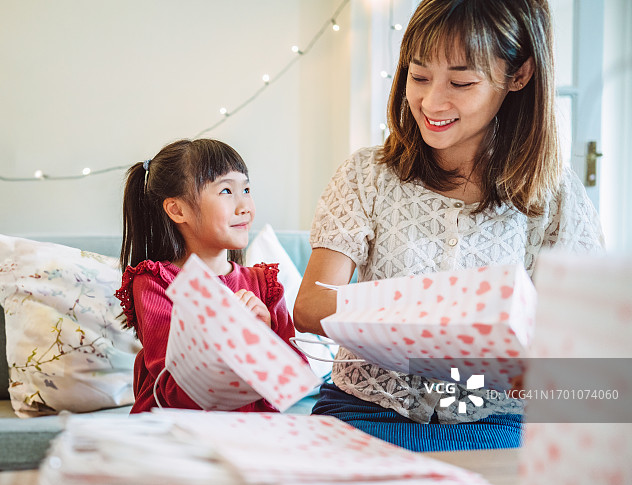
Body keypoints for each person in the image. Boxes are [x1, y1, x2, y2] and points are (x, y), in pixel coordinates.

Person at [293, 0, 604, 451]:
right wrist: (424, 318)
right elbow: (310, 305)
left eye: (461, 81)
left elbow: (582, 335)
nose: (431, 102)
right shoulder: (367, 175)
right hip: (365, 407)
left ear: (518, 75)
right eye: (418, 76)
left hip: (496, 421)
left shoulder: (555, 196)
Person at [116, 138, 304, 413]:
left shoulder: (263, 284)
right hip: (178, 436)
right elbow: (175, 393)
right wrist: (232, 334)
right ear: (177, 210)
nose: (245, 207)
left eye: (246, 189)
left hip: (249, 437)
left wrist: (262, 334)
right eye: (226, 191)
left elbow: (290, 383)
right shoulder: (157, 283)